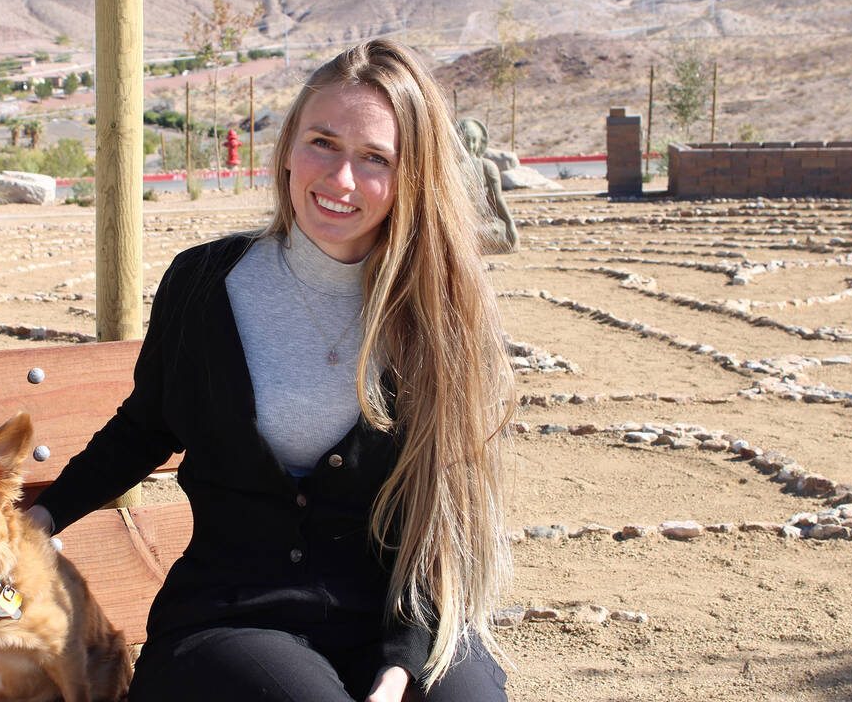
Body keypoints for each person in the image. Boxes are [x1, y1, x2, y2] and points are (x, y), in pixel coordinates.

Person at [29, 39, 513, 702]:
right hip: (234, 618)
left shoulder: (437, 313)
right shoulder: (204, 284)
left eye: (375, 159)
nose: (340, 179)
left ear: (412, 178)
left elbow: (442, 524)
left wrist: (399, 668)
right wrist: (45, 516)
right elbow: (143, 427)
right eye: (322, 142)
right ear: (287, 148)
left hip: (396, 618)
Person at [457, 117, 519, 254]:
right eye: (466, 142)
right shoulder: (451, 168)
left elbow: (497, 198)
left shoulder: (487, 167)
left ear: (480, 143)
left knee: (498, 230)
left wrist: (509, 224)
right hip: (460, 222)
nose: (470, 146)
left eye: (474, 141)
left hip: (483, 221)